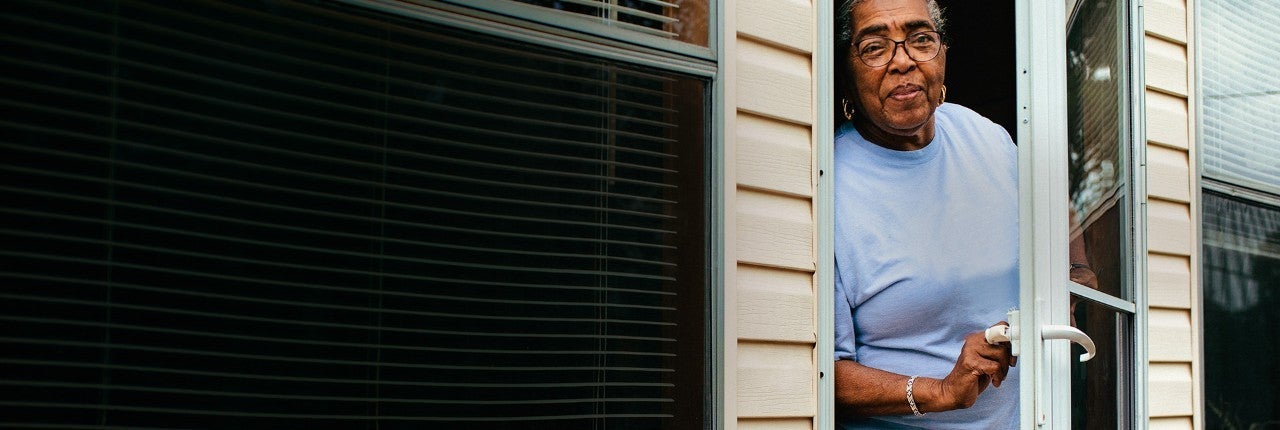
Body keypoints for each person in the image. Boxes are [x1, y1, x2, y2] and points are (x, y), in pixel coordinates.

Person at [831, 0, 1021, 428]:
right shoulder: (828, 185)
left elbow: (1056, 207)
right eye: (875, 47)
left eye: (920, 39)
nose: (903, 61)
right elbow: (822, 374)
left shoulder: (987, 138)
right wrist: (941, 391)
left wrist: (1075, 272)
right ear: (847, 70)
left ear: (943, 53)